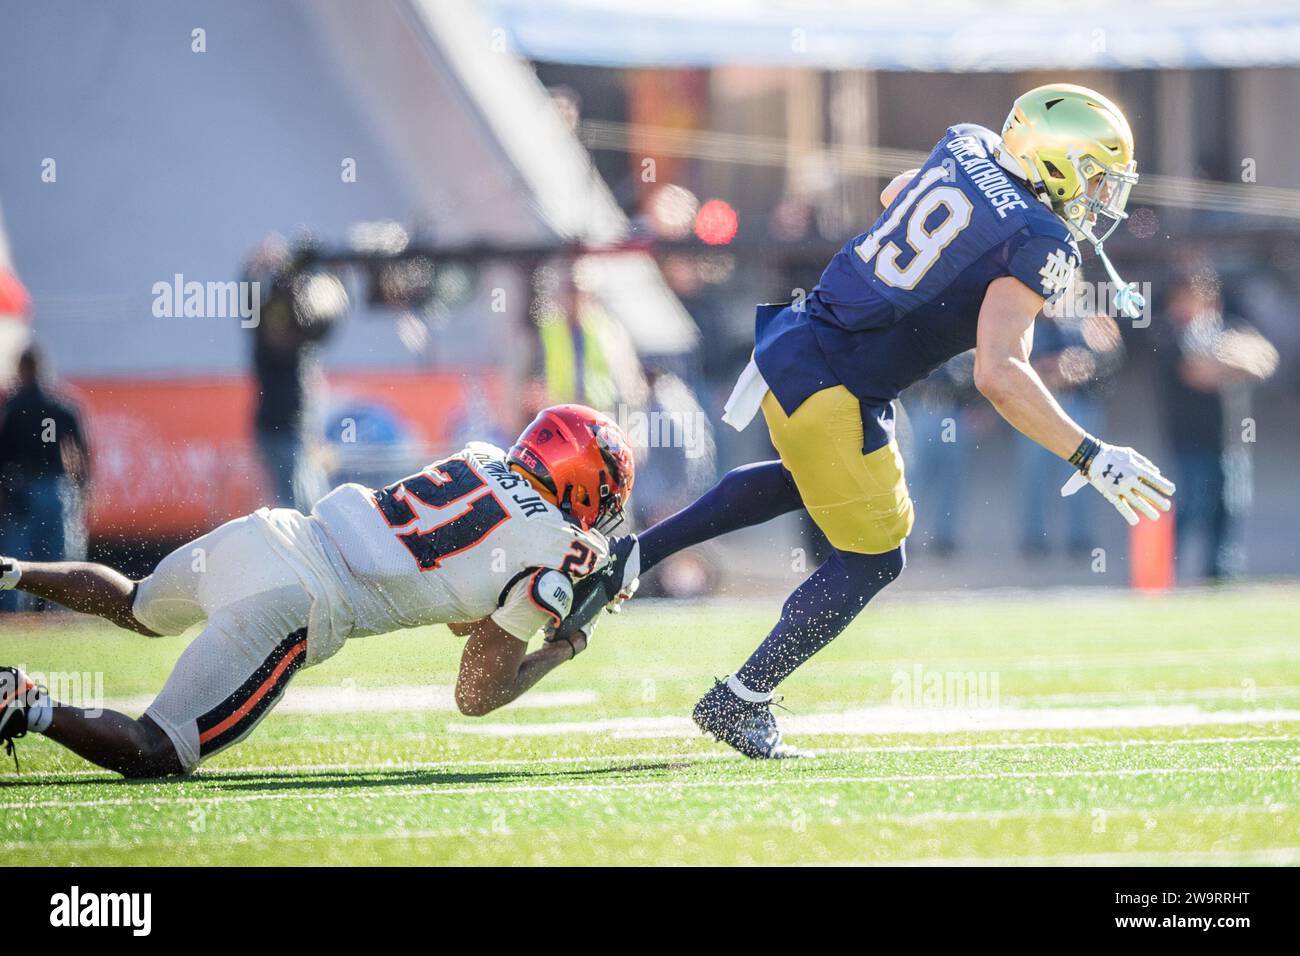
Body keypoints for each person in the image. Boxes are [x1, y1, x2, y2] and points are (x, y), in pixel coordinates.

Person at [557, 84, 1176, 759]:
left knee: (810, 481)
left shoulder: (968, 143)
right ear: (1054, 160)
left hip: (792, 344)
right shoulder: (1042, 238)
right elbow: (999, 374)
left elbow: (897, 195)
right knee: (877, 556)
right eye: (1094, 176)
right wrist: (1090, 455)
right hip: (840, 388)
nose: (1101, 198)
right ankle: (742, 697)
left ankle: (632, 557)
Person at [0, 405, 634, 776]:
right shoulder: (559, 548)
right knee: (155, 750)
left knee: (135, 603)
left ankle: (13, 570)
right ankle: (25, 702)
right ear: (584, 482)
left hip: (269, 532)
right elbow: (477, 691)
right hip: (294, 600)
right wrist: (567, 643)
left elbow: (457, 594)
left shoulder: (479, 456)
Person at [1156, 271, 1277, 580]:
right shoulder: (1171, 334)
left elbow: (1266, 358)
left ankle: (1221, 575)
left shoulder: (1228, 326)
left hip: (1231, 439)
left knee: (1231, 508)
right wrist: (1236, 363)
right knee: (1191, 508)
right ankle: (1163, 573)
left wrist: (1229, 360)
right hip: (1190, 440)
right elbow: (1199, 375)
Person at [0, 344, 89, 612]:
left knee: (16, 562)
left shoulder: (13, 407)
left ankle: (12, 618)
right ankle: (58, 616)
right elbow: (81, 453)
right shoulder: (62, 405)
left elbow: (3, 455)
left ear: (23, 369)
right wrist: (83, 490)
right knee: (58, 560)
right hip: (57, 488)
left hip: (21, 488)